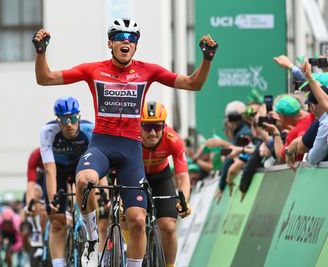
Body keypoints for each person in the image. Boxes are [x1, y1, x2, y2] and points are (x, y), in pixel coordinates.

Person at [33, 18, 217, 267]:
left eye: (132, 38)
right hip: (102, 146)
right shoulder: (94, 70)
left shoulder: (148, 70)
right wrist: (41, 52)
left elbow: (193, 84)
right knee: (84, 180)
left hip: (131, 150)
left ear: (136, 46)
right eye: (120, 36)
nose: (126, 41)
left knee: (138, 221)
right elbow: (45, 78)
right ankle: (90, 237)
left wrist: (206, 59)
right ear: (110, 42)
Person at [39, 96, 94, 267]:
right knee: (57, 221)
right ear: (58, 120)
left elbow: (98, 164)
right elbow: (49, 169)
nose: (68, 123)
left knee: (90, 190)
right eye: (63, 119)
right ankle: (59, 264)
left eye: (73, 118)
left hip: (81, 167)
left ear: (79, 116)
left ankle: (92, 241)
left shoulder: (90, 129)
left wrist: (102, 192)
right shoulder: (47, 132)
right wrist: (52, 198)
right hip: (59, 170)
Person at [140, 101, 191, 266]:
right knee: (132, 218)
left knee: (168, 227)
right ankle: (129, 246)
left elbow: (183, 177)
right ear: (139, 125)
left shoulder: (173, 140)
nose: (153, 132)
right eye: (147, 127)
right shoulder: (130, 138)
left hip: (161, 177)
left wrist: (183, 201)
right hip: (136, 177)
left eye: (158, 126)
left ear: (164, 125)